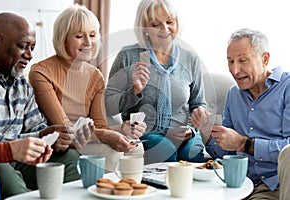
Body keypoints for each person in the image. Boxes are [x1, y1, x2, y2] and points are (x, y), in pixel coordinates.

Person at [28, 4, 147, 172]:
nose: (88, 42)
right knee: (110, 152)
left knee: (136, 148)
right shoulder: (41, 72)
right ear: (62, 38)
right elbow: (65, 129)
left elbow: (100, 127)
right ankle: (100, 195)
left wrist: (122, 128)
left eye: (92, 35)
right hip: (63, 143)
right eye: (79, 36)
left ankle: (128, 193)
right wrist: (107, 135)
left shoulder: (95, 76)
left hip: (87, 139)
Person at [0, 12, 91, 199]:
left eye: (32, 48)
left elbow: (37, 127)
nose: (29, 55)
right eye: (22, 47)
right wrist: (14, 147)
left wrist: (49, 135)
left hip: (20, 160)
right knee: (1, 169)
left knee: (70, 159)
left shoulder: (22, 85)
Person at [191, 28, 290, 199]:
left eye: (242, 60)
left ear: (264, 59)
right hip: (239, 184)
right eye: (230, 61)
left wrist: (244, 144)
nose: (235, 70)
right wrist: (206, 134)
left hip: (276, 184)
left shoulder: (286, 88)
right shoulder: (233, 94)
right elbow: (227, 154)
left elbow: (288, 150)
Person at [105, 0, 206, 164]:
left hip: (183, 132)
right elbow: (108, 106)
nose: (165, 29)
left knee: (192, 155)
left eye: (169, 22)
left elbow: (198, 103)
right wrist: (135, 91)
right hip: (146, 133)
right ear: (144, 27)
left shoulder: (190, 59)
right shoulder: (128, 56)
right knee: (163, 148)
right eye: (155, 24)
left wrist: (192, 128)